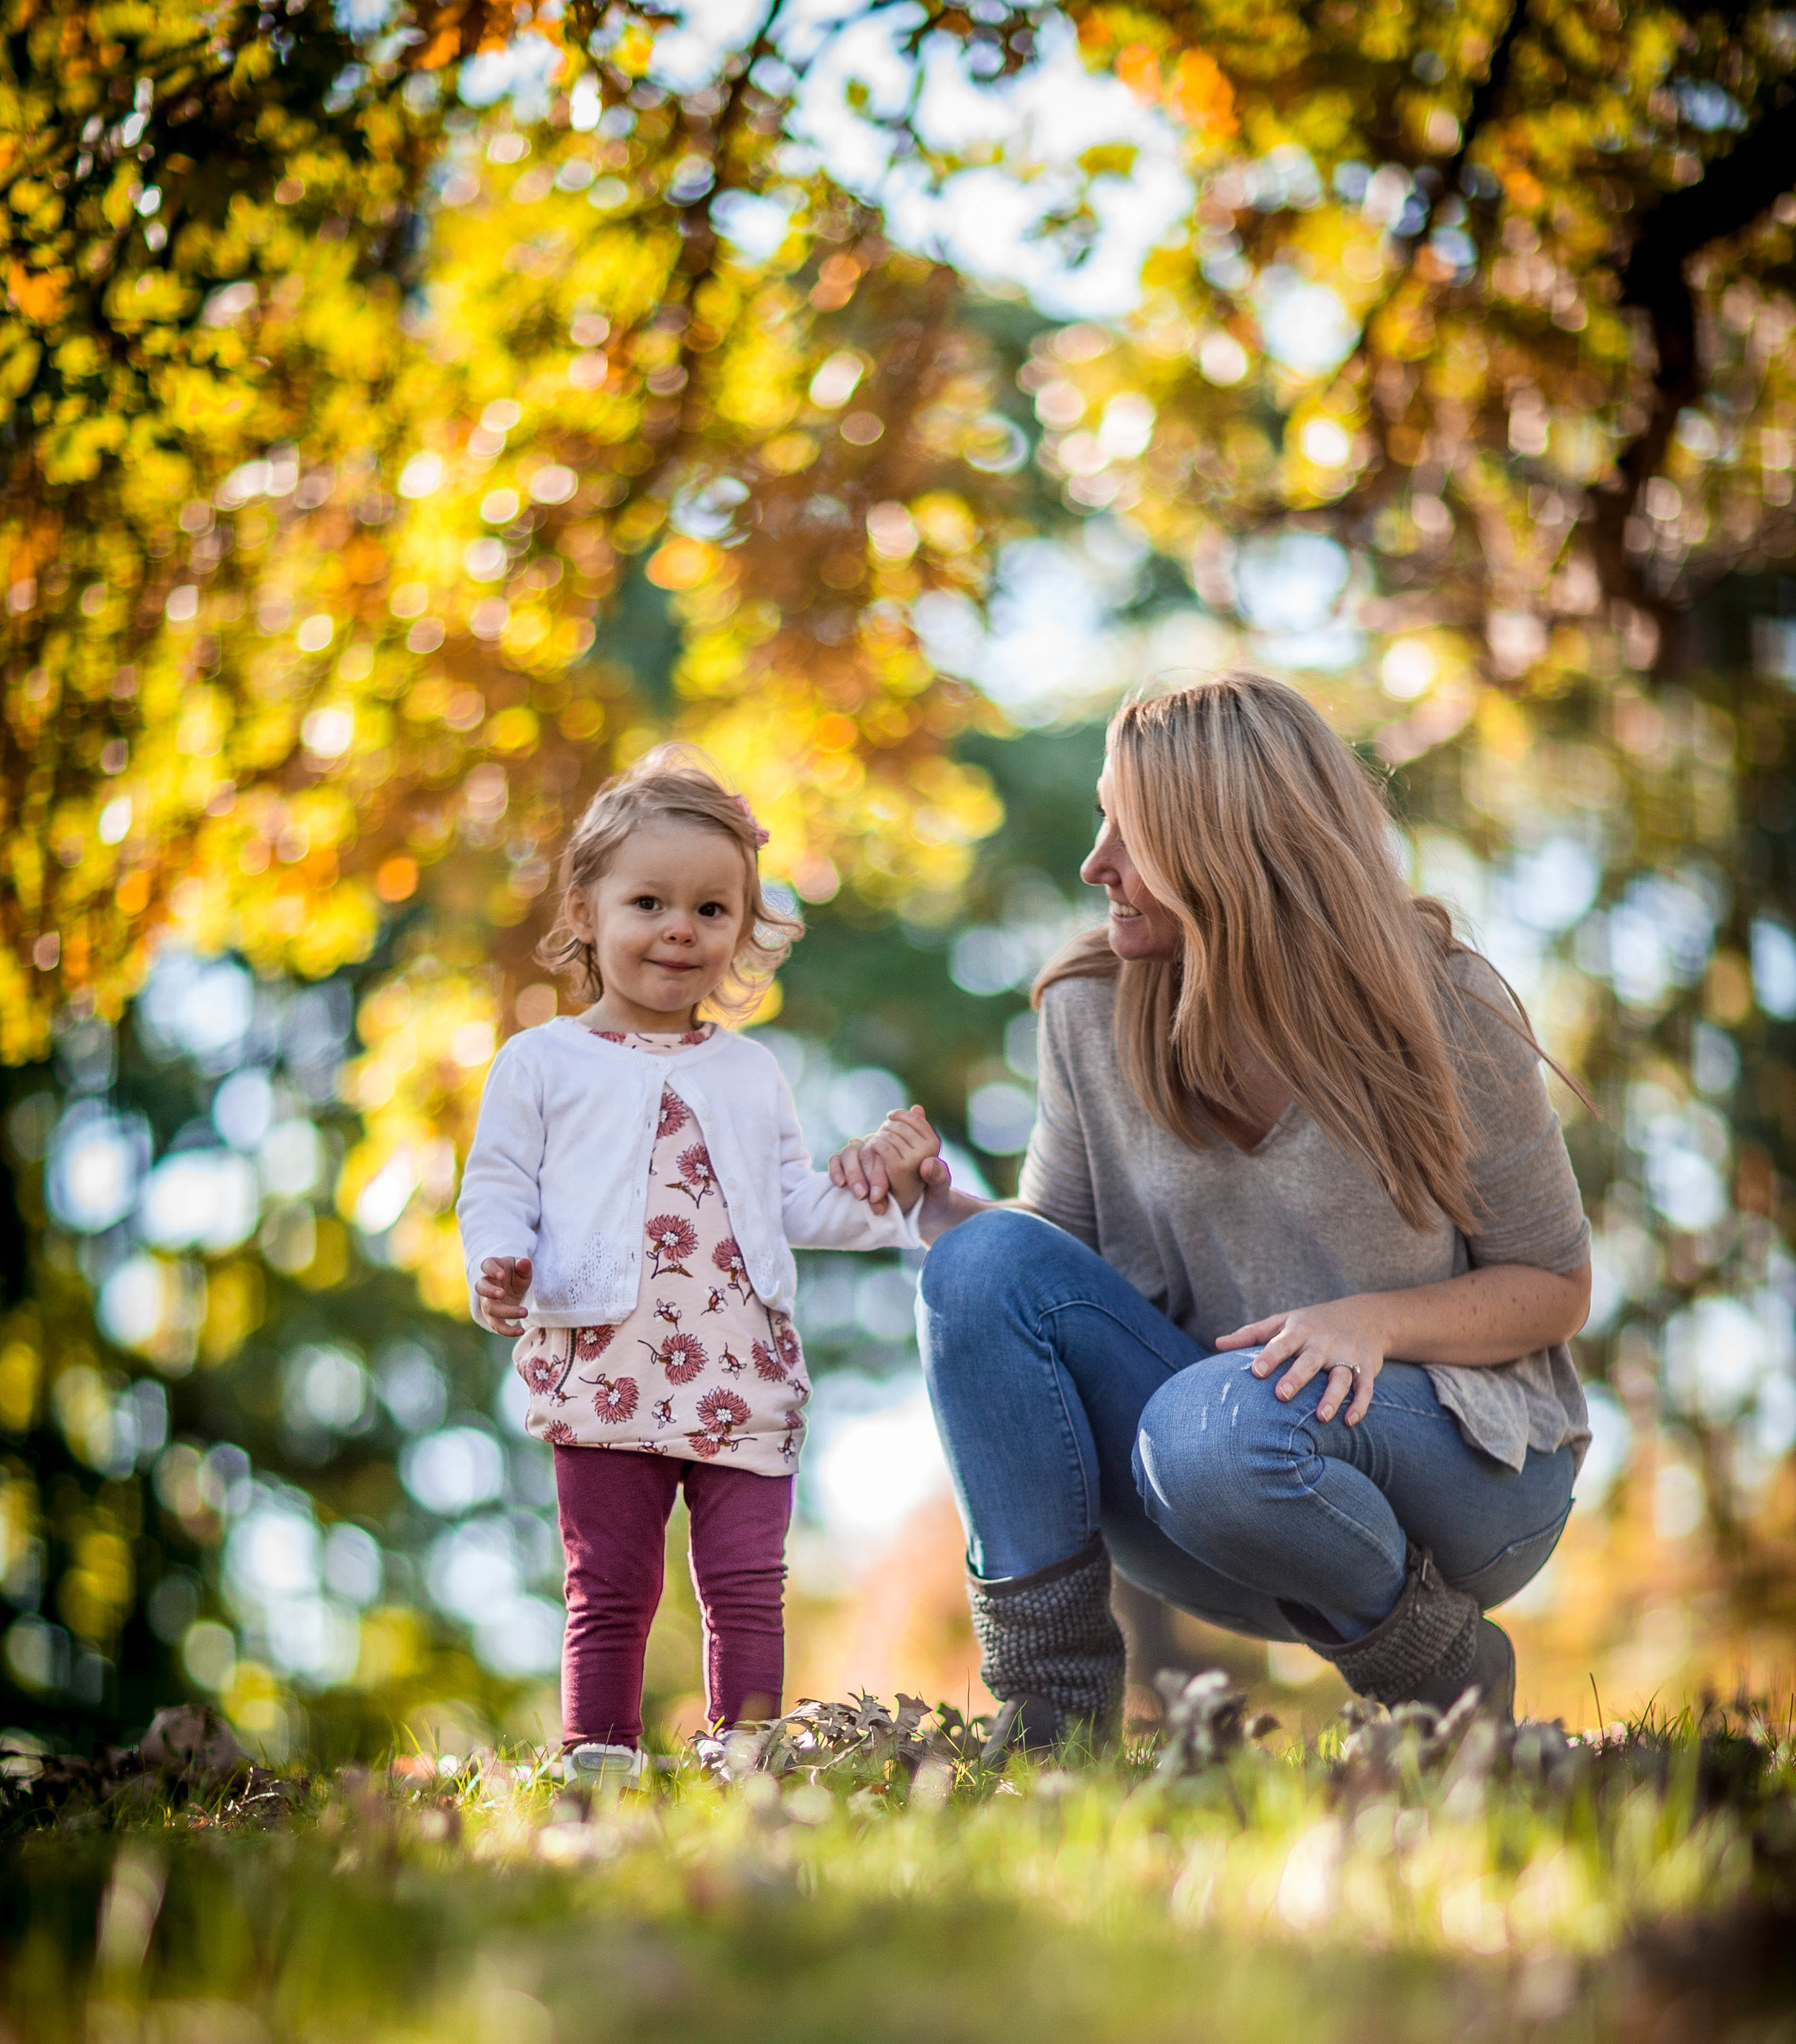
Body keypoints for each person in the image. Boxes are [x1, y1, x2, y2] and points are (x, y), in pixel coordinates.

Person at [834, 673, 1592, 1754]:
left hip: (1463, 1475)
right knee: (980, 1265)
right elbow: (1044, 1281)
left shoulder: (1443, 1006)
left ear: (1233, 847)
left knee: (1218, 1427)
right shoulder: (1090, 1008)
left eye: (1130, 834)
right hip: (1199, 1487)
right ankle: (1051, 1727)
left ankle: (1448, 1673)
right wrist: (930, 1204)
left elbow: (1555, 1288)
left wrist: (1370, 1321)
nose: (1096, 863)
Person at [458, 746, 940, 1775]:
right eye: (649, 903)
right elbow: (498, 1184)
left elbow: (794, 1203)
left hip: (739, 1371)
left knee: (745, 1579)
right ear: (585, 910)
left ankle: (750, 1752)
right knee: (612, 1582)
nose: (680, 929)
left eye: (712, 911)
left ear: (743, 932)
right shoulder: (541, 1063)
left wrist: (890, 1184)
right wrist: (501, 1258)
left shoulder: (748, 1071)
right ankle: (598, 1755)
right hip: (604, 1368)